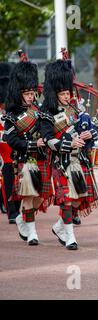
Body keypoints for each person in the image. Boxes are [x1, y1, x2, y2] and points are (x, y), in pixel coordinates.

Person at [40, 58, 98, 250]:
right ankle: (70, 236)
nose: (67, 96)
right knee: (66, 199)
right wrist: (70, 142)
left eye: (68, 92)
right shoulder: (46, 113)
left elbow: (95, 130)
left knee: (80, 197)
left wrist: (90, 133)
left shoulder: (78, 110)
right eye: (63, 93)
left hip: (80, 160)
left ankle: (59, 227)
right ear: (55, 93)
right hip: (62, 161)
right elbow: (48, 139)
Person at [2, 51, 53, 245]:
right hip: (23, 160)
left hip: (41, 158)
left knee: (41, 197)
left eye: (33, 93)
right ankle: (32, 232)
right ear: (19, 93)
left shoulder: (39, 112)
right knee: (30, 195)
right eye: (28, 94)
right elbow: (12, 140)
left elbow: (47, 131)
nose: (32, 97)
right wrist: (33, 143)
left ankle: (23, 218)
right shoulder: (11, 116)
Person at [0, 61, 21, 224]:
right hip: (4, 149)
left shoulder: (15, 110)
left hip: (14, 149)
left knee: (17, 180)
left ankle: (15, 209)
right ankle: (10, 208)